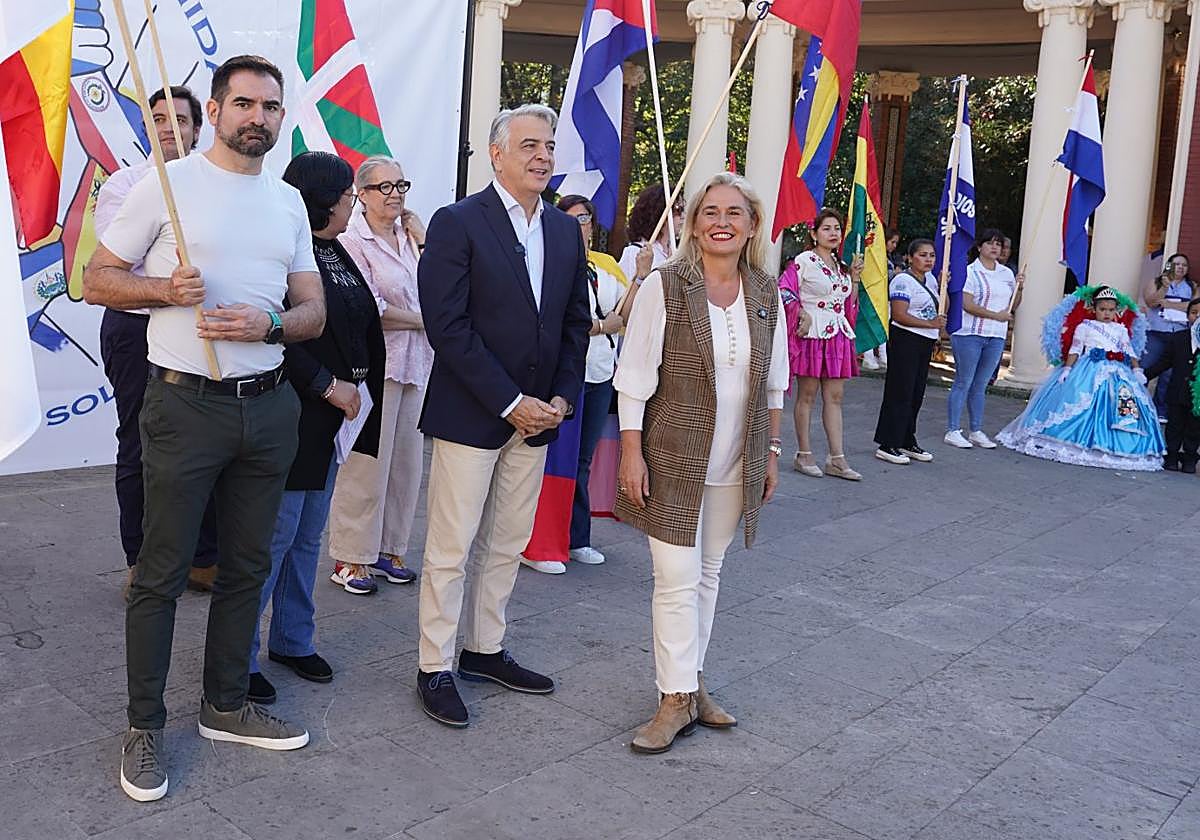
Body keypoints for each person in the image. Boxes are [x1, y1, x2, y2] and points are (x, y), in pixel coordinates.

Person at [83, 55, 323, 803]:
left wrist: (272, 321)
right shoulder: (167, 184)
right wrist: (163, 289)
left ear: (281, 118)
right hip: (186, 405)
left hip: (270, 404)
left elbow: (313, 311)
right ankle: (144, 726)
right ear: (216, 110)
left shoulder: (287, 203)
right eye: (244, 103)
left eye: (271, 106)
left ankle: (225, 705)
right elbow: (93, 276)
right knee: (160, 573)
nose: (258, 117)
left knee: (248, 566)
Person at [414, 104, 591, 728]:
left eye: (548, 147)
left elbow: (575, 323)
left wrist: (563, 398)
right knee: (451, 546)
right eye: (529, 146)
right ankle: (435, 665)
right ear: (497, 153)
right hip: (474, 414)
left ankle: (485, 649)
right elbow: (448, 326)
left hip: (542, 417)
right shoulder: (457, 222)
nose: (543, 157)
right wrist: (511, 402)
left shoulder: (567, 232)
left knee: (507, 543)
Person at [614, 172, 788, 754]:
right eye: (709, 211)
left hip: (737, 456)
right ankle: (673, 700)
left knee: (708, 575)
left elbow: (774, 384)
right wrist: (631, 453)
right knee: (675, 579)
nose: (721, 221)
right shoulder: (667, 286)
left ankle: (690, 685)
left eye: (733, 212)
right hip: (671, 455)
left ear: (751, 225)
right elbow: (634, 376)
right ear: (692, 224)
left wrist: (770, 453)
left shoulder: (766, 293)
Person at [246, 152, 385, 706]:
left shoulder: (333, 250)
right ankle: (240, 653)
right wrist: (330, 385)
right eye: (349, 194)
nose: (355, 203)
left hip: (331, 422)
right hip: (294, 416)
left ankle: (292, 639)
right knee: (271, 541)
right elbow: (276, 335)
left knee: (306, 538)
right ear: (324, 200)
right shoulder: (284, 257)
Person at [95, 85, 219, 594]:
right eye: (161, 119)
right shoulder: (124, 187)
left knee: (205, 444)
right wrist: (172, 281)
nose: (172, 128)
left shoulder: (215, 187)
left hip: (195, 328)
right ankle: (141, 559)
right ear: (147, 127)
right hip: (134, 328)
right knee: (139, 443)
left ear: (198, 128)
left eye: (183, 120)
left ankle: (202, 557)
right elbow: (126, 270)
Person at [324, 155, 430, 594]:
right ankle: (351, 557)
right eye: (383, 187)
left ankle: (390, 550)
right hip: (375, 364)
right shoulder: (353, 241)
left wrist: (425, 243)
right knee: (367, 463)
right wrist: (426, 320)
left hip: (417, 364)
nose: (394, 194)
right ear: (361, 195)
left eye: (400, 185)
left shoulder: (412, 239)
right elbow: (371, 309)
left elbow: (440, 288)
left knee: (406, 464)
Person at [520, 195, 624, 574]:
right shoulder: (551, 261)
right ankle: (538, 540)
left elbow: (623, 312)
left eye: (588, 218)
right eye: (576, 218)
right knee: (554, 460)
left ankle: (576, 536)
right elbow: (562, 319)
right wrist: (601, 327)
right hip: (566, 375)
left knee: (582, 462)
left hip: (600, 371)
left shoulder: (605, 267)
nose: (585, 225)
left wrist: (642, 276)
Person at [998, 285, 1164, 470]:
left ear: (1116, 311)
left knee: (1123, 404)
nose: (1107, 314)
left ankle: (1120, 445)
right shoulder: (1085, 327)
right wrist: (1068, 369)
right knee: (1080, 400)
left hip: (1118, 372)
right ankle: (1074, 439)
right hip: (1089, 370)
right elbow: (1076, 349)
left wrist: (1136, 370)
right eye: (1102, 310)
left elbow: (1129, 350)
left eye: (1111, 310)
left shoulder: (1121, 329)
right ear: (1094, 309)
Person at [779, 208, 864, 481]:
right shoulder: (804, 261)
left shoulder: (841, 267)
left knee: (835, 397)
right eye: (827, 228)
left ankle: (836, 458)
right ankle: (804, 454)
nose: (834, 233)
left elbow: (848, 306)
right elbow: (784, 290)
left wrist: (855, 279)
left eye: (837, 228)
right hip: (812, 335)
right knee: (808, 395)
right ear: (814, 234)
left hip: (837, 335)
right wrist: (800, 312)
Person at [944, 228, 1023, 450]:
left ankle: (976, 429)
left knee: (981, 385)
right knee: (963, 381)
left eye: (999, 244)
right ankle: (953, 429)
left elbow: (1013, 306)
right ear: (979, 246)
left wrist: (1020, 288)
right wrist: (996, 316)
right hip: (970, 332)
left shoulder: (1007, 274)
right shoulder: (969, 271)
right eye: (990, 243)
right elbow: (966, 304)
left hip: (995, 335)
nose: (995, 247)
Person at [874, 239, 945, 464]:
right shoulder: (903, 280)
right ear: (910, 257)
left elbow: (940, 311)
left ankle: (907, 438)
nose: (928, 259)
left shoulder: (932, 280)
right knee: (900, 392)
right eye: (923, 255)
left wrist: (944, 287)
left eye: (931, 255)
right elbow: (899, 314)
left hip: (925, 341)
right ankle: (888, 442)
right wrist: (930, 325)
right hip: (906, 338)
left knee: (916, 392)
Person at [1143, 298, 1200, 472]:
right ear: (1187, 316)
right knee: (1174, 425)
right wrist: (1144, 376)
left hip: (1198, 397)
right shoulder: (1178, 338)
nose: (1198, 317)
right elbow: (1164, 362)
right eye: (1194, 313)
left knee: (1195, 427)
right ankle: (1172, 455)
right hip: (1177, 392)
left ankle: (1190, 457)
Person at [1141, 253, 1194, 421]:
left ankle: (1161, 409)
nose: (1180, 267)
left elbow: (1194, 306)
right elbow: (1151, 302)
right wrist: (1164, 289)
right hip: (1156, 332)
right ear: (1169, 265)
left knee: (1169, 374)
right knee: (1145, 368)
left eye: (1184, 265)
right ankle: (1137, 403)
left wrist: (1170, 303)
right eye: (1177, 264)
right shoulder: (1155, 282)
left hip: (1179, 334)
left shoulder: (1192, 286)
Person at [616, 184, 681, 320]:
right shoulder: (636, 252)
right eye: (677, 210)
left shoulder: (678, 253)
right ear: (659, 213)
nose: (682, 216)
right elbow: (624, 311)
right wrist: (641, 277)